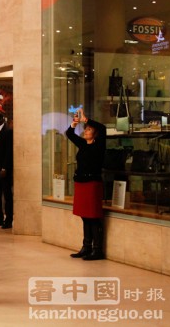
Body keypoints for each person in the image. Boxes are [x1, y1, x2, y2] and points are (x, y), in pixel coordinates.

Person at [66, 108, 106, 261]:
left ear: (95, 134)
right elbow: (69, 134)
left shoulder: (99, 145)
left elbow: (102, 128)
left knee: (93, 216)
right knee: (84, 216)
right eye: (86, 129)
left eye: (89, 129)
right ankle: (86, 246)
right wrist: (74, 123)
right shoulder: (83, 144)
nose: (86, 131)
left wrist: (86, 119)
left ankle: (97, 250)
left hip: (92, 183)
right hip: (81, 183)